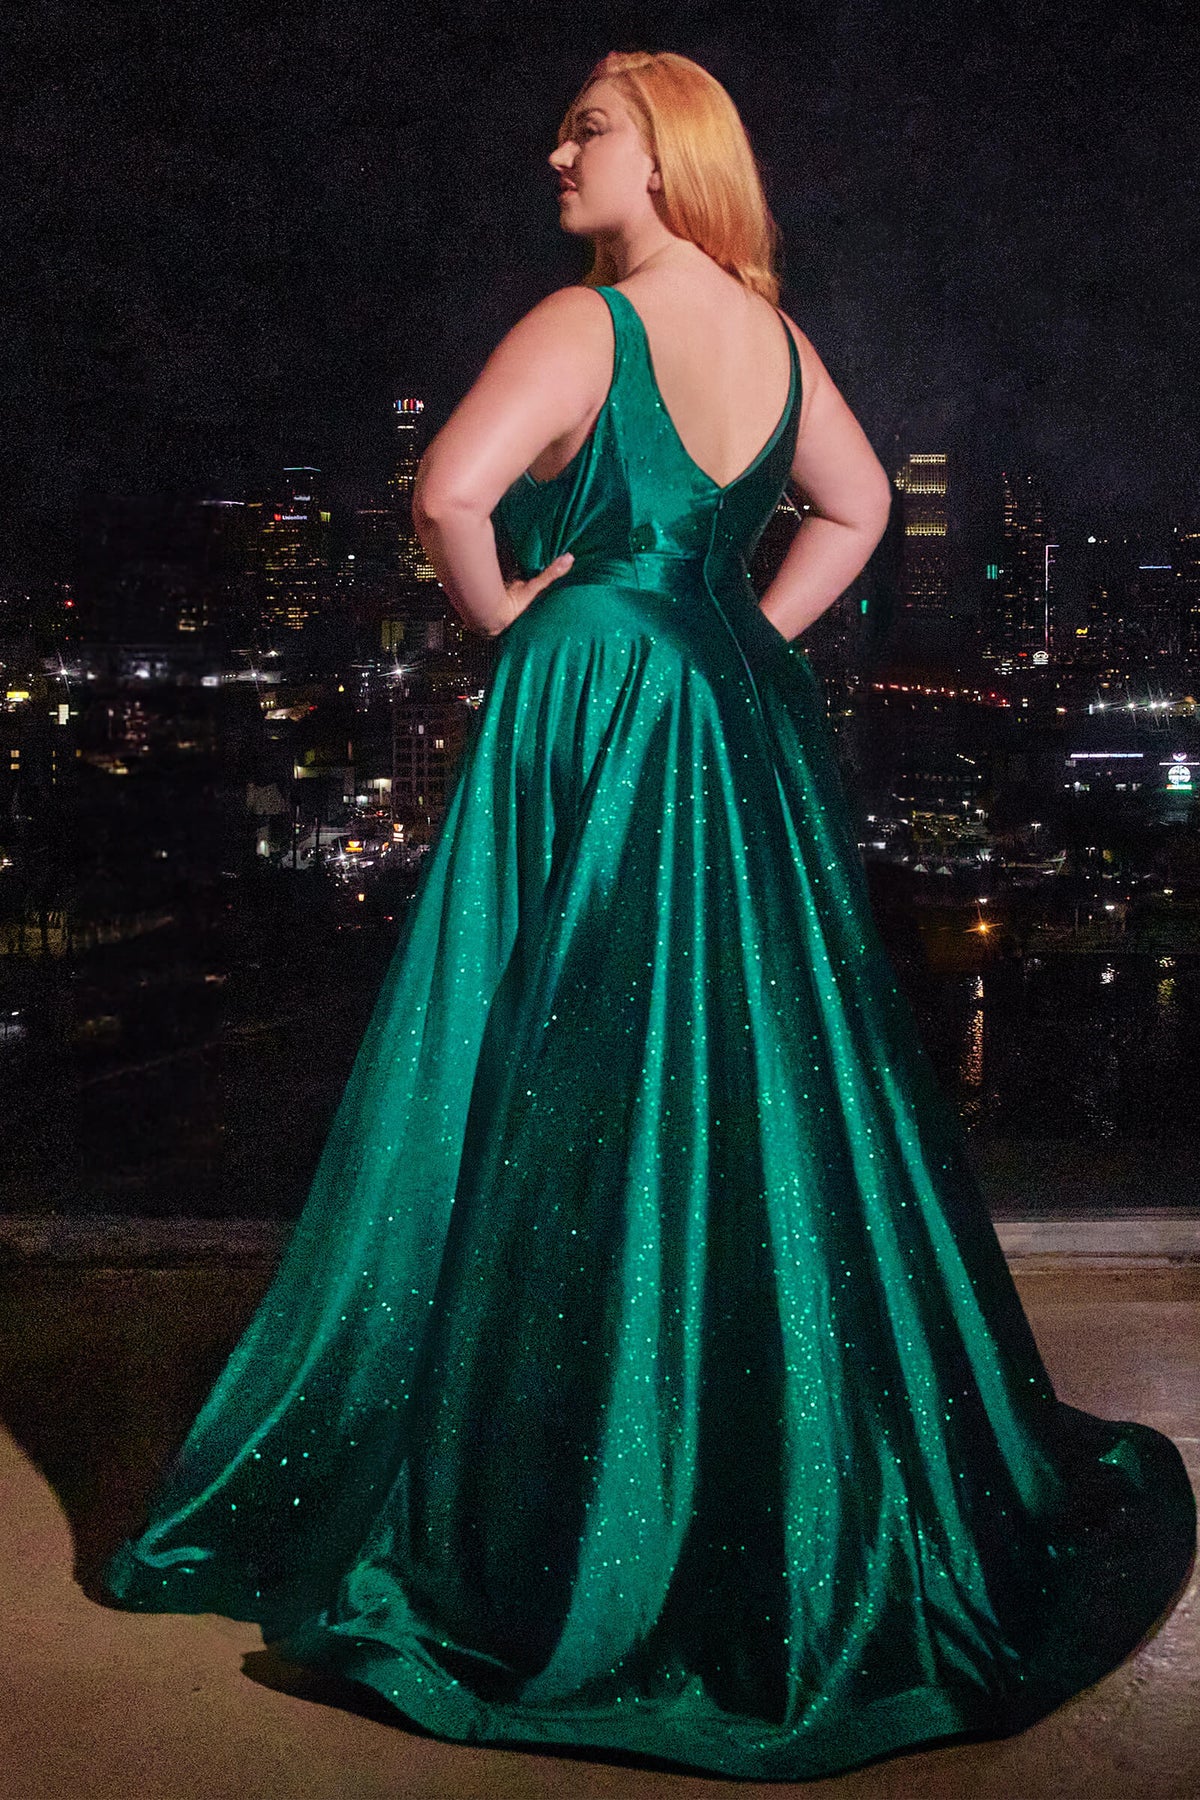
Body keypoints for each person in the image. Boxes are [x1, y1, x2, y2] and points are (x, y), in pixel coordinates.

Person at [101, 49, 1195, 1784]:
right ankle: (745, 1427)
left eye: (588, 130)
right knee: (741, 1059)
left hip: (593, 688)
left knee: (547, 1047)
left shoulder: (583, 323)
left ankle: (575, 1475)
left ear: (669, 154)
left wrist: (514, 617)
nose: (557, 152)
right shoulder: (778, 341)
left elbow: (448, 493)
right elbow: (853, 509)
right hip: (721, 707)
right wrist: (742, 632)